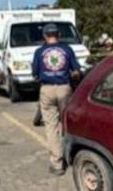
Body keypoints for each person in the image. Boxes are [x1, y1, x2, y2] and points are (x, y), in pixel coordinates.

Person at [32, 23, 80, 175]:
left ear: (45, 36)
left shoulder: (39, 52)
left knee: (51, 127)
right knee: (65, 123)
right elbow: (77, 71)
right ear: (58, 35)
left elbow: (35, 74)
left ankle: (57, 164)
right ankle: (71, 157)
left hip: (47, 89)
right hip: (65, 88)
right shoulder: (67, 49)